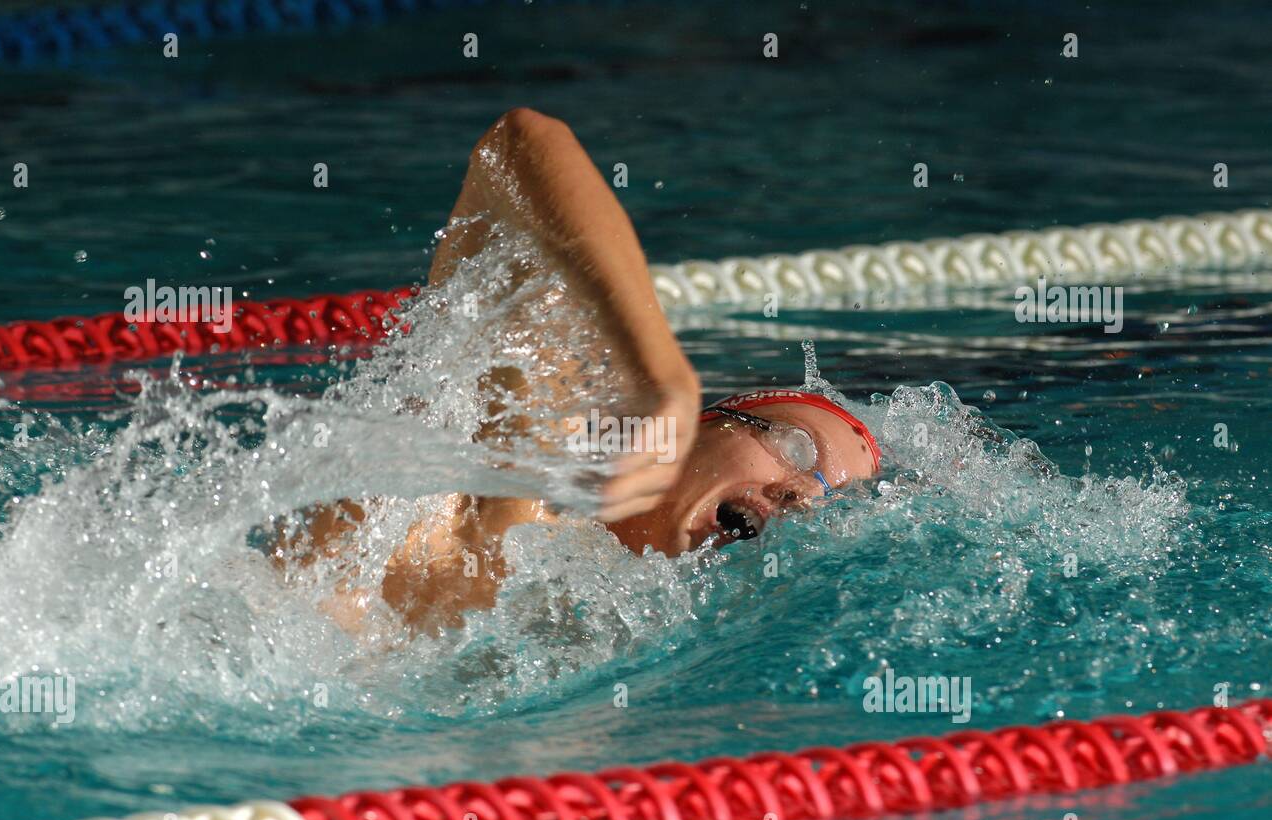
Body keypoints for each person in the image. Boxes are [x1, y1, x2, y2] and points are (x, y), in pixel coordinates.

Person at [276, 108, 880, 636]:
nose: (803, 496)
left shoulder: (634, 634)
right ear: (708, 425)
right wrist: (661, 376)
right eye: (799, 451)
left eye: (834, 498)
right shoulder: (506, 466)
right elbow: (519, 144)